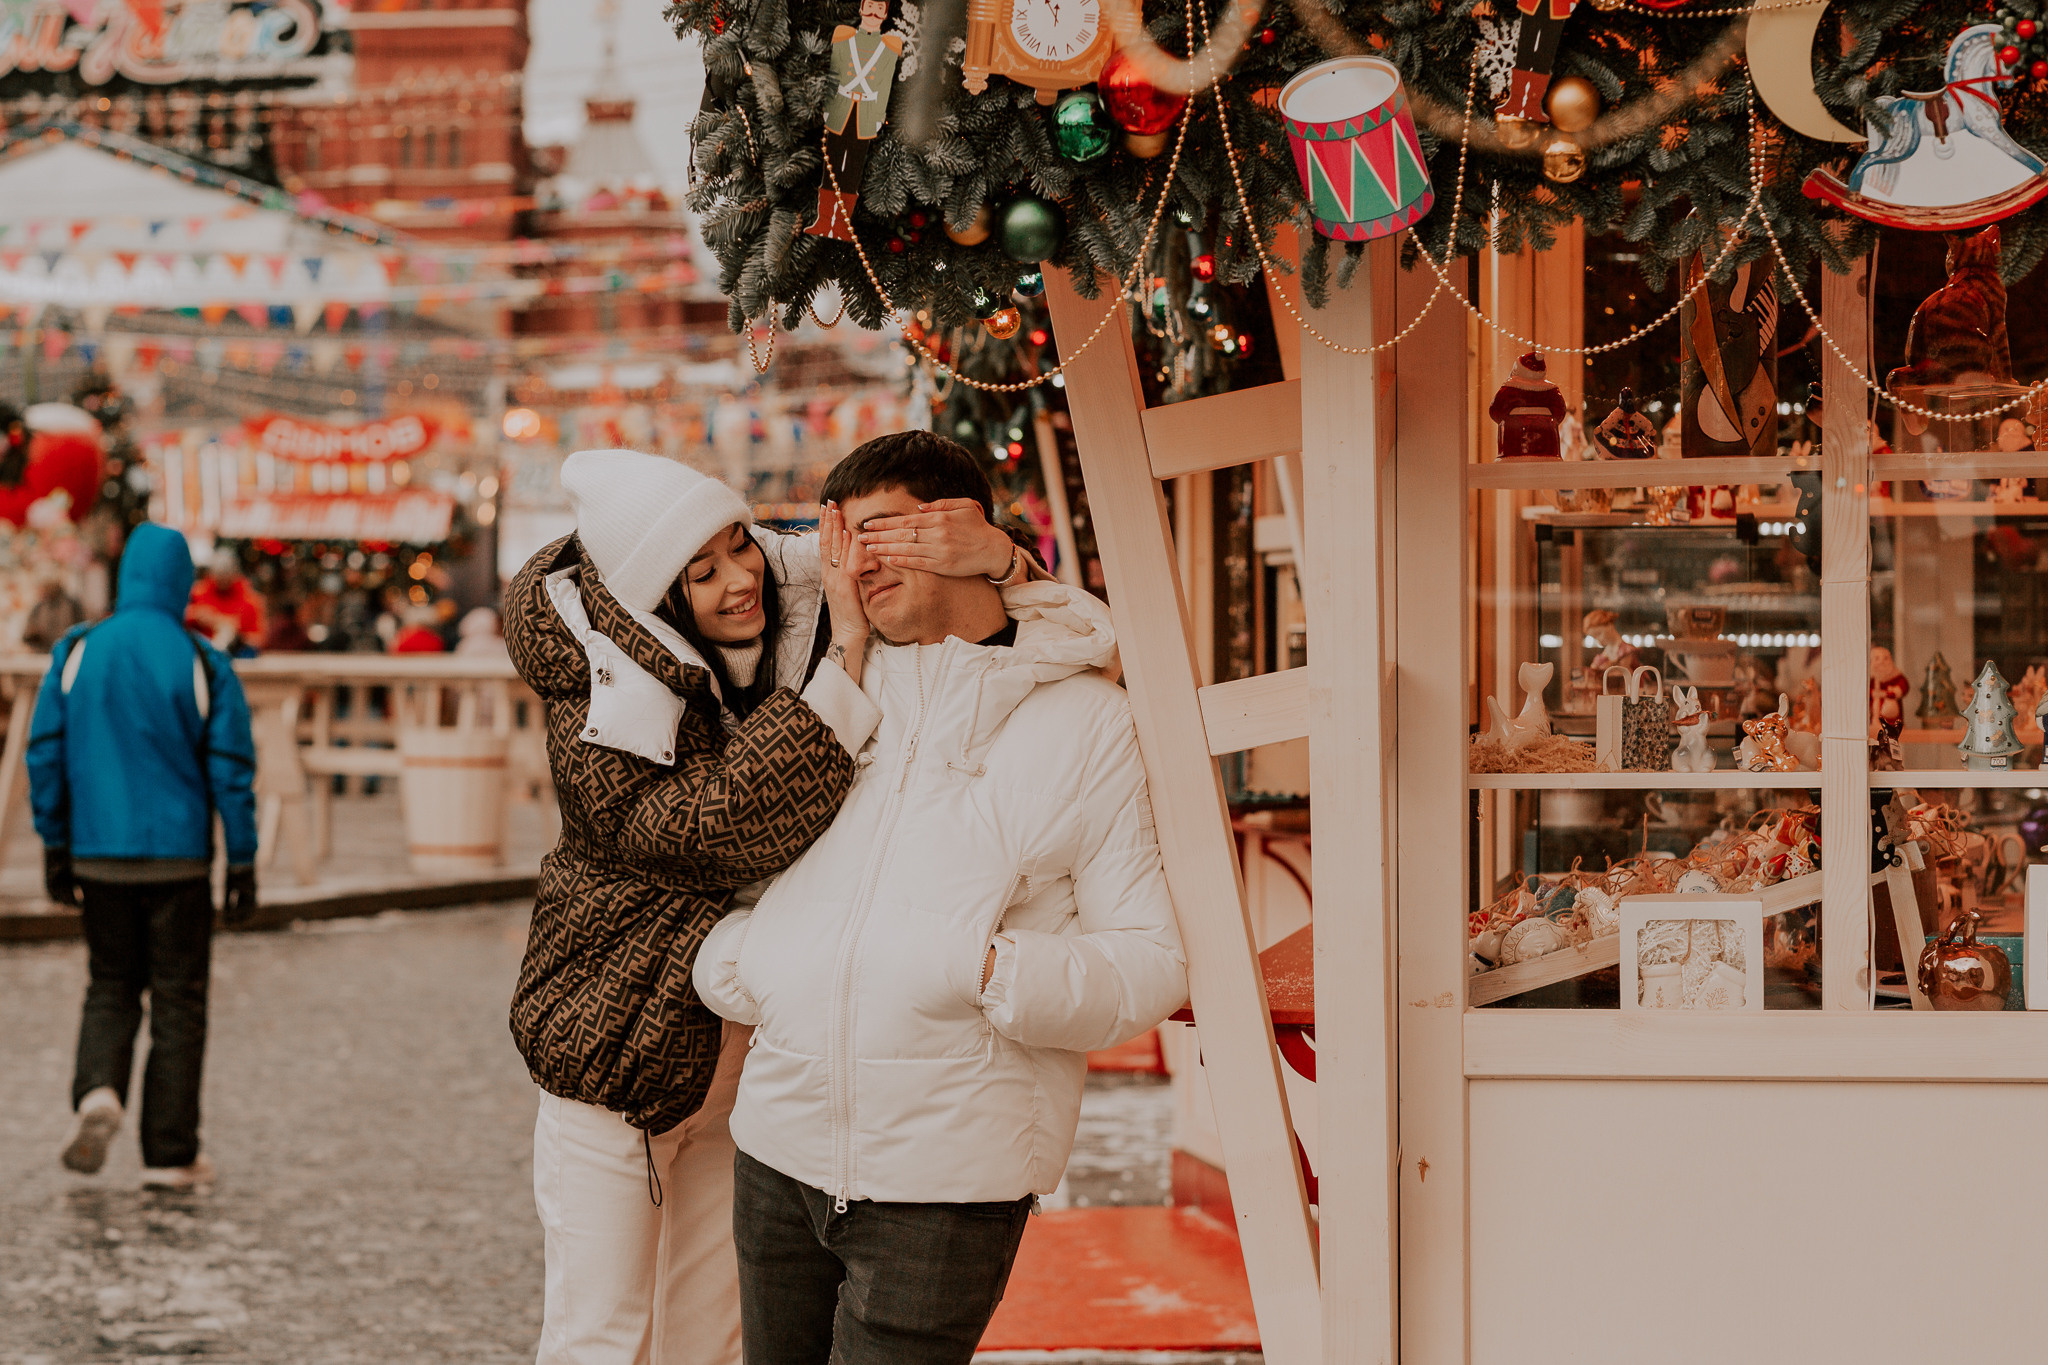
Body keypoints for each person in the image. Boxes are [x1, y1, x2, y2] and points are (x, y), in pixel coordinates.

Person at [502, 447, 1019, 1365]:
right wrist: (846, 656)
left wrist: (995, 557)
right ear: (654, 602)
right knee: (601, 1338)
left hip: (734, 1064)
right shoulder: (595, 702)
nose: (740, 579)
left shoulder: (760, 619)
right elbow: (718, 827)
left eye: (739, 545)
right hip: (618, 1059)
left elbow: (837, 558)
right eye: (701, 573)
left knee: (708, 1341)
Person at [694, 431, 1189, 1365]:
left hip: (944, 1183)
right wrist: (747, 960)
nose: (858, 561)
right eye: (843, 539)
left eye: (885, 531)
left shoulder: (1089, 720)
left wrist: (986, 968)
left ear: (958, 527)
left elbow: (1151, 959)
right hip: (775, 1152)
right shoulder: (830, 692)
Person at [30, 523, 258, 1192]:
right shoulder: (201, 659)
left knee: (110, 983)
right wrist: (241, 861)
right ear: (182, 582)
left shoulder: (77, 650)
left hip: (97, 855)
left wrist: (55, 844)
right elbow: (231, 768)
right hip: (179, 861)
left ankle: (99, 1088)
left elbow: (45, 753)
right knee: (179, 1002)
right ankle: (170, 1154)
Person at [185, 546, 264, 655]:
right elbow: (179, 617)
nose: (222, 580)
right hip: (201, 652)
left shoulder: (250, 599)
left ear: (235, 573)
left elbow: (258, 640)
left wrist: (236, 633)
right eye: (218, 575)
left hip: (236, 654)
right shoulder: (198, 592)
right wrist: (197, 614)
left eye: (226, 574)